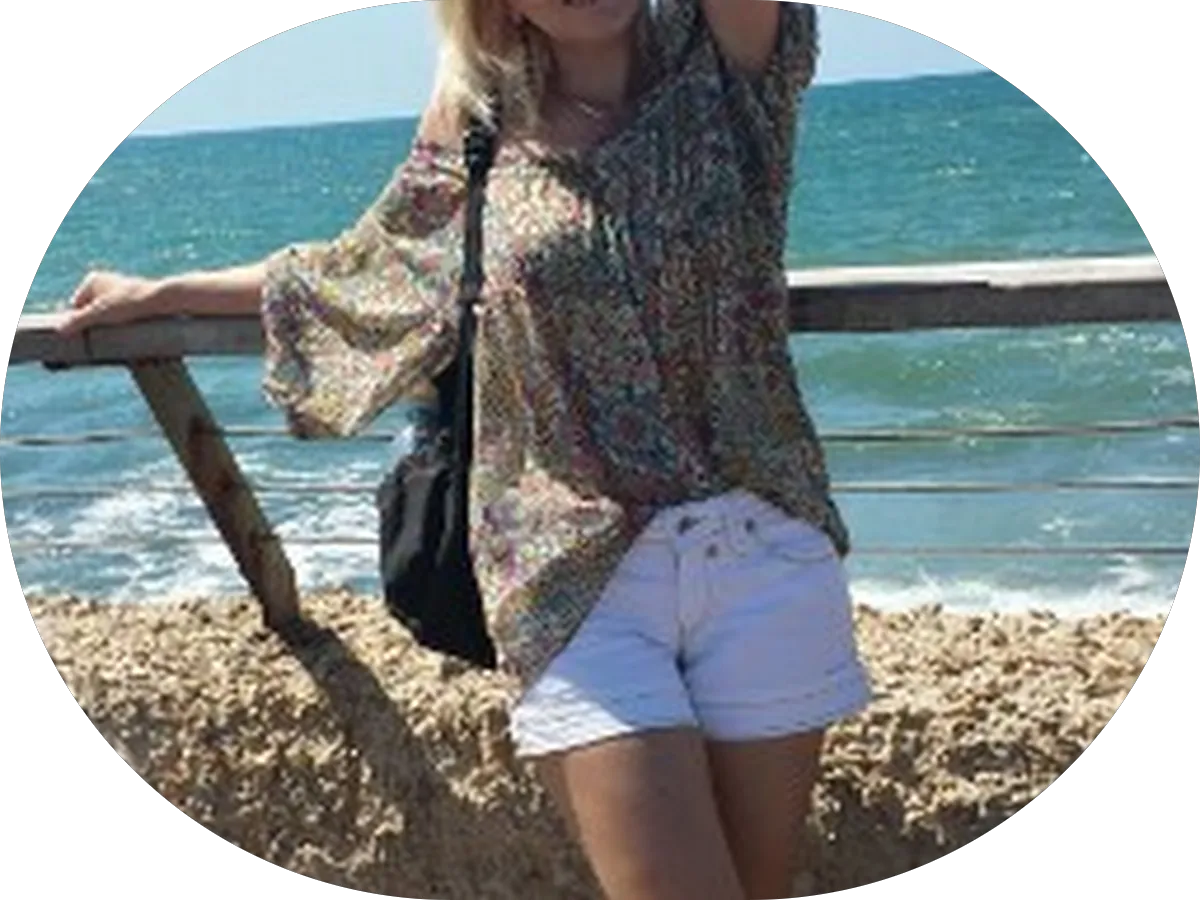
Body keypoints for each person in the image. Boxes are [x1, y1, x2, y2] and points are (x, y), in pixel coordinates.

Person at [59, 2, 872, 897]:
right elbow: (369, 270)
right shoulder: (483, 117)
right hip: (573, 571)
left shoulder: (727, 57)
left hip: (762, 551)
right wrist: (161, 294)